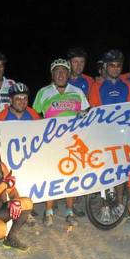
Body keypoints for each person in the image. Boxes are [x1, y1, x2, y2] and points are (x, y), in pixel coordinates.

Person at [33, 59, 90, 227]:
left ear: (68, 74)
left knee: (70, 175)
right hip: (51, 142)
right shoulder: (43, 92)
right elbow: (35, 116)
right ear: (52, 74)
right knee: (52, 176)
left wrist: (83, 114)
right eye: (57, 71)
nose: (60, 74)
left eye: (64, 71)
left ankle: (69, 211)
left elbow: (88, 113)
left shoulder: (77, 91)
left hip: (72, 140)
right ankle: (49, 211)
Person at [88, 49, 130, 217]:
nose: (115, 68)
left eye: (118, 66)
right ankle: (104, 205)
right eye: (112, 65)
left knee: (121, 170)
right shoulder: (97, 86)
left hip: (122, 134)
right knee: (104, 169)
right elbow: (94, 110)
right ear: (106, 66)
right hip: (103, 134)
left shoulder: (127, 86)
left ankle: (119, 202)